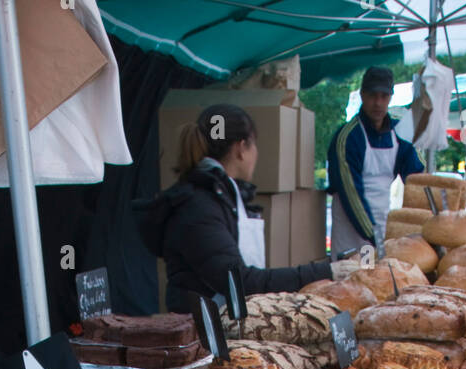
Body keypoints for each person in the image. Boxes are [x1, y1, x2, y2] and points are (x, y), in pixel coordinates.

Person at [134, 104, 332, 313]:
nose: (256, 153)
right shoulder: (198, 206)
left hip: (230, 324)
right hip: (201, 334)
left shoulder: (222, 197)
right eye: (254, 145)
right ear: (241, 148)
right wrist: (324, 271)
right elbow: (239, 282)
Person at [326, 66, 423, 256]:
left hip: (383, 224)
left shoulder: (400, 133)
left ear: (391, 97)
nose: (378, 103)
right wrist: (374, 236)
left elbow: (417, 180)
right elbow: (351, 193)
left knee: (378, 281)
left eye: (384, 96)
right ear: (362, 95)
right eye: (372, 95)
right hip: (351, 231)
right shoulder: (348, 137)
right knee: (350, 281)